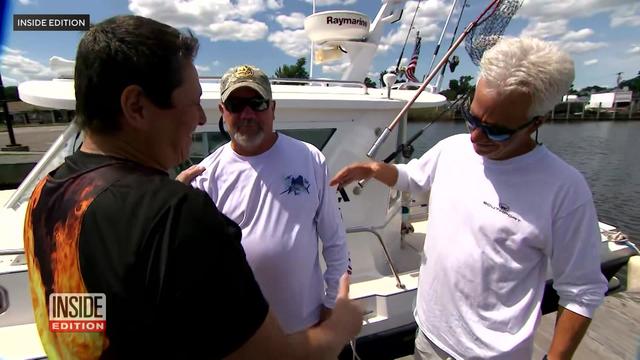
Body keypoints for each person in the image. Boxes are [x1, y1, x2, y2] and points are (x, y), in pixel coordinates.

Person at [23, 15, 361, 359]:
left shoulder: (45, 198)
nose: (200, 119)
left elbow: (74, 314)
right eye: (192, 101)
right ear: (136, 106)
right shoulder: (177, 213)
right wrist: (340, 326)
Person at [330, 37, 608, 360]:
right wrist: (374, 168)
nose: (475, 136)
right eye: (471, 117)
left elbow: (582, 292)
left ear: (536, 123)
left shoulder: (565, 190)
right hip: (429, 339)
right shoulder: (454, 149)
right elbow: (413, 177)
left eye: (496, 130)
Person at [189, 64, 350, 334]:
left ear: (272, 108)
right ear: (222, 111)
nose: (248, 114)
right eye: (236, 104)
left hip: (306, 324)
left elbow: (335, 240)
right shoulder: (205, 175)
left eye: (257, 102)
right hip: (240, 334)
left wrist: (332, 302)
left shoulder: (310, 158)